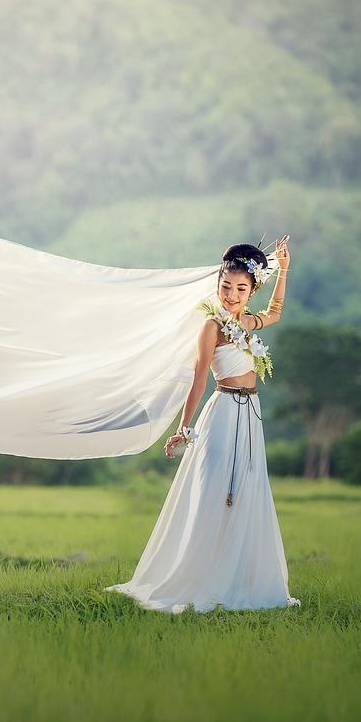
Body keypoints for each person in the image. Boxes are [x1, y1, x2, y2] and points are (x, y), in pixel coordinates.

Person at [107, 238, 300, 613]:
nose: (231, 295)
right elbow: (198, 380)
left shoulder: (246, 321)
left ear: (251, 290)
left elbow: (275, 312)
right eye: (225, 287)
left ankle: (235, 576)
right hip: (223, 412)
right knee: (213, 491)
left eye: (240, 289)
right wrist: (184, 427)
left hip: (250, 416)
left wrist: (285, 270)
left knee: (246, 491)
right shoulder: (212, 326)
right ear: (218, 285)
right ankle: (197, 577)